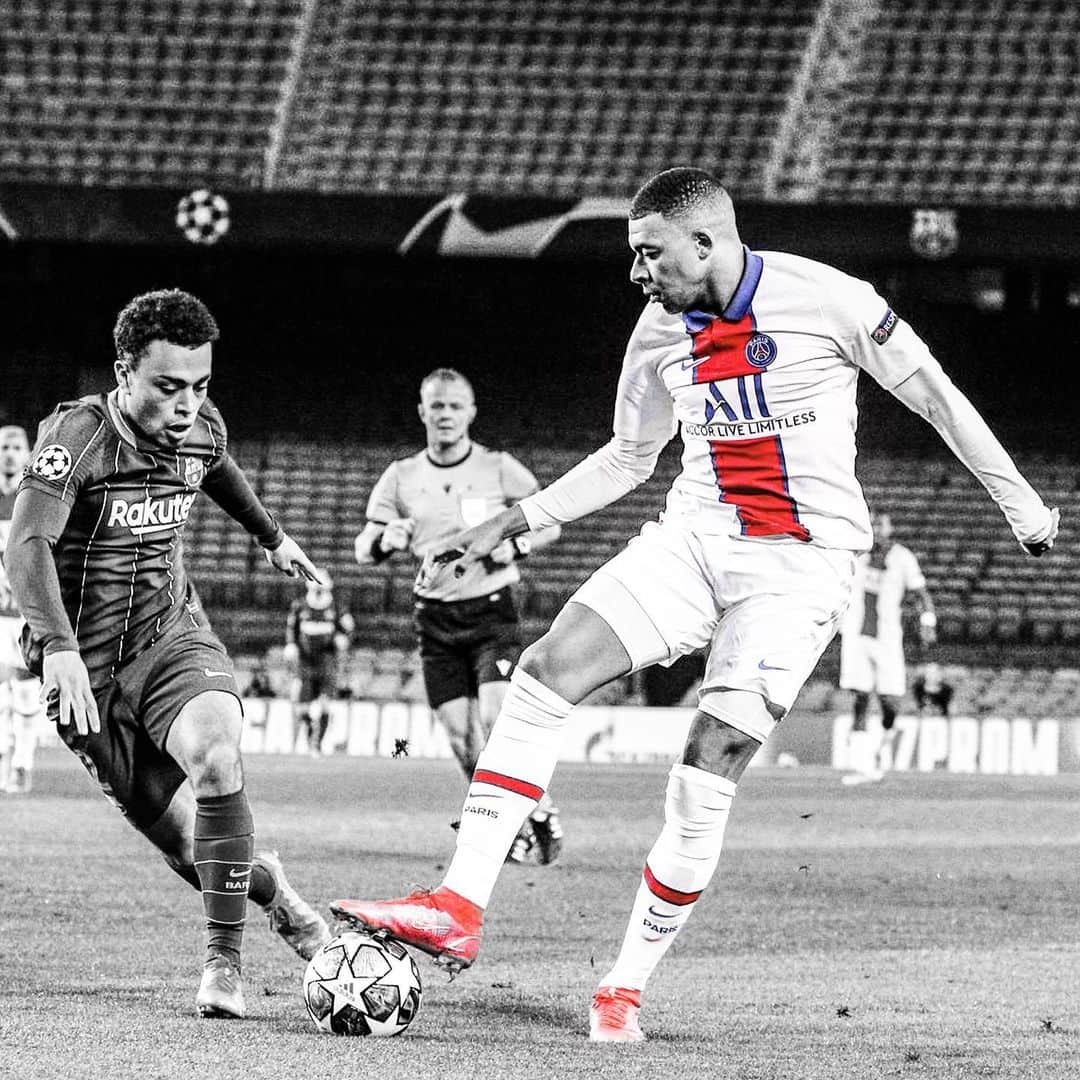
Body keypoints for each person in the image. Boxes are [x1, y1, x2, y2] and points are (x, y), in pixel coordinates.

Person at [329, 167, 1058, 1043]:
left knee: (703, 772)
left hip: (799, 566)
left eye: (649, 253)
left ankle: (623, 986)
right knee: (545, 672)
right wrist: (515, 521)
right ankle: (458, 905)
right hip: (693, 538)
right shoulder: (656, 331)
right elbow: (629, 456)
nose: (636, 272)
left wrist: (1022, 505)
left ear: (705, 242)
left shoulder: (830, 300)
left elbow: (936, 396)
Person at [5, 289, 331, 1019]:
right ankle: (274, 894)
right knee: (189, 848)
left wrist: (272, 537)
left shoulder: (201, 426)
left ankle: (224, 965)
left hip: (170, 637)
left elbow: (218, 466)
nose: (187, 405)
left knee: (217, 756)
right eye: (168, 386)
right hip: (82, 671)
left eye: (200, 385)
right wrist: (57, 645)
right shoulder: (78, 437)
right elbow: (25, 544)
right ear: (124, 373)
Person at [353, 368, 564, 864]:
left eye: (454, 406)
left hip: (492, 612)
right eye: (437, 406)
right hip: (434, 620)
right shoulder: (401, 476)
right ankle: (514, 821)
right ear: (422, 412)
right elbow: (364, 547)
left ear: (470, 413)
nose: (445, 414)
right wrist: (384, 540)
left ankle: (532, 814)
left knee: (494, 721)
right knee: (462, 740)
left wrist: (516, 546)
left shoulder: (498, 468)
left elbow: (550, 520)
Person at [839, 510, 936, 785]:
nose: (876, 529)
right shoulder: (855, 553)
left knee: (890, 702)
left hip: (887, 640)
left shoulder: (902, 558)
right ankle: (861, 766)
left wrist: (928, 622)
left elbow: (921, 594)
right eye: (872, 524)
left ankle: (880, 750)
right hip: (856, 637)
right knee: (859, 698)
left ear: (890, 528)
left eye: (881, 524)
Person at [0, 425, 43, 794]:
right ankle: (4, 759)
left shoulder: (34, 500)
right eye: (3, 447)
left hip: (26, 613)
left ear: (28, 453)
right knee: (1, 693)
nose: (9, 454)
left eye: (16, 447)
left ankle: (23, 763)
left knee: (26, 693)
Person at [284, 574, 354, 755]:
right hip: (305, 661)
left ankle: (317, 744)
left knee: (325, 704)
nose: (318, 591)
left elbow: (349, 628)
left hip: (327, 661)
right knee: (302, 707)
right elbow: (291, 628)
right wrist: (290, 644)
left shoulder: (337, 607)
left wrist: (342, 638)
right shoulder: (299, 606)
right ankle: (309, 738)